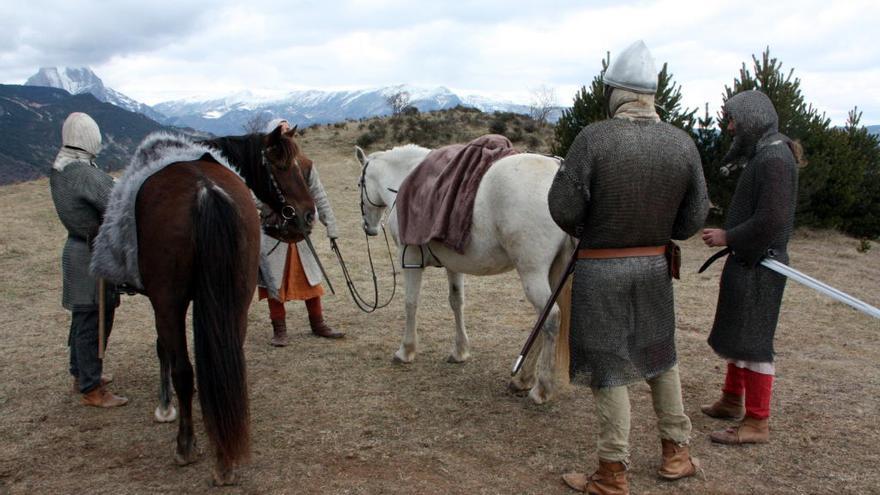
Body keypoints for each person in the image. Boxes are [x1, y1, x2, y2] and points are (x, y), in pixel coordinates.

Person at [547, 40, 708, 494]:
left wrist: (592, 222)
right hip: (654, 268)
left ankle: (612, 474)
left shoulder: (595, 139)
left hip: (601, 271)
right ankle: (677, 453)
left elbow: (562, 207)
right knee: (660, 356)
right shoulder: (681, 143)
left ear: (615, 92)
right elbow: (694, 218)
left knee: (610, 367)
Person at [701, 90, 799, 445]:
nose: (729, 127)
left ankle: (757, 421)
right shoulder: (766, 153)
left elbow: (772, 220)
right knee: (737, 334)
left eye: (734, 120)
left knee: (754, 343)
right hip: (749, 261)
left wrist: (728, 236)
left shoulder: (774, 159)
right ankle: (731, 400)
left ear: (753, 121)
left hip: (762, 263)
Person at [49, 112, 128, 408]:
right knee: (91, 319)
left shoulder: (62, 165)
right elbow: (117, 201)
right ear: (88, 137)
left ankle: (80, 373)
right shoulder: (81, 172)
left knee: (83, 317)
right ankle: (92, 389)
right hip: (90, 254)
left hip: (77, 249)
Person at [258, 118, 344, 345]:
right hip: (274, 232)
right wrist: (274, 208)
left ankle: (318, 324)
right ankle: (280, 330)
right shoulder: (262, 165)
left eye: (288, 129)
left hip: (300, 232)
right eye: (281, 130)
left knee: (311, 279)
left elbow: (319, 195)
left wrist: (331, 226)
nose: (286, 132)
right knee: (274, 283)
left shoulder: (305, 164)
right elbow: (252, 195)